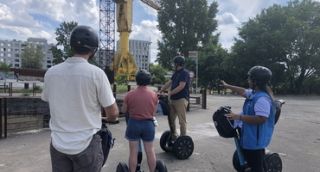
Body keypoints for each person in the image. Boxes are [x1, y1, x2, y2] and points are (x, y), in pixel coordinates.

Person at [41, 25, 119, 172]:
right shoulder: (96, 74)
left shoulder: (51, 73)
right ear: (94, 50)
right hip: (87, 142)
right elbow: (113, 113)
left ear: (71, 45)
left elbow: (48, 100)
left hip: (58, 143)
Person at [221, 66, 275, 172]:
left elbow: (261, 119)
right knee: (254, 163)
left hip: (256, 141)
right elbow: (243, 91)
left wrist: (238, 117)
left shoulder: (262, 99)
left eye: (250, 78)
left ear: (256, 81)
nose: (248, 80)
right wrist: (227, 86)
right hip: (250, 138)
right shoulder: (254, 94)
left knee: (256, 167)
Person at [121, 69, 158, 172]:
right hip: (148, 125)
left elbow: (123, 110)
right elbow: (154, 113)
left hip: (134, 123)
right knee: (150, 151)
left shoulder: (129, 94)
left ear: (137, 80)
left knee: (133, 152)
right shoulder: (154, 95)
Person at [159, 55, 190, 140]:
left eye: (174, 63)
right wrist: (161, 91)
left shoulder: (185, 73)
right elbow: (169, 82)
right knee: (171, 119)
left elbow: (181, 86)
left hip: (181, 99)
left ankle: (183, 138)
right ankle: (174, 136)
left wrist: (169, 93)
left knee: (181, 121)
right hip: (173, 100)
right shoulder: (176, 73)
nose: (173, 65)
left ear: (178, 64)